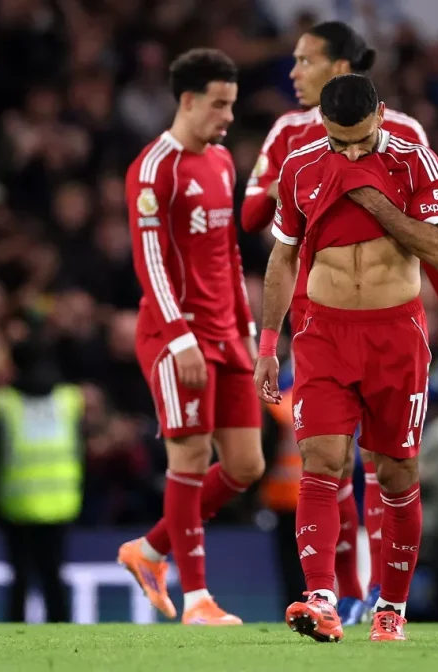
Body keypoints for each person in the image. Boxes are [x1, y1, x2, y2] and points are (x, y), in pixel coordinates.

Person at [241, 20, 438, 624]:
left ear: (382, 116)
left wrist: (369, 195)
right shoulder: (299, 165)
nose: (348, 152)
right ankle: (321, 597)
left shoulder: (416, 161)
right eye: (337, 141)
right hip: (323, 334)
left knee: (397, 471)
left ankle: (390, 606)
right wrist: (269, 343)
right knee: (321, 461)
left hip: (397, 334)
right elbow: (283, 257)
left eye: (360, 141)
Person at [116, 48, 263, 626]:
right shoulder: (154, 168)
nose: (228, 116)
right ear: (187, 100)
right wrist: (180, 338)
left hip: (228, 334)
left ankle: (150, 549)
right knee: (193, 455)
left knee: (246, 465)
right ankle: (198, 600)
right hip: (173, 334)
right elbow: (148, 258)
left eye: (232, 103)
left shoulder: (224, 162)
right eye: (219, 104)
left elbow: (227, 252)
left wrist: (246, 331)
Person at [0, 334, 85, 623]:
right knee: (54, 576)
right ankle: (63, 639)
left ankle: (15, 636)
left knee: (20, 578)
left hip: (16, 503)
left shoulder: (0, 403)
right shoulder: (70, 399)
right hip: (62, 502)